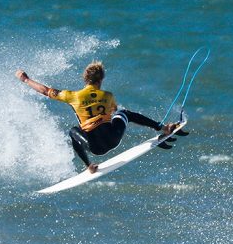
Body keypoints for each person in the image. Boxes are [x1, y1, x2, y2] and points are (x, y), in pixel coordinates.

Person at [15, 61, 186, 173]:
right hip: (114, 139)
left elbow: (45, 90)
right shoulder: (108, 96)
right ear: (101, 79)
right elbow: (114, 112)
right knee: (124, 113)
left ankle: (89, 166)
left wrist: (26, 79)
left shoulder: (72, 96)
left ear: (85, 79)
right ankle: (163, 127)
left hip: (95, 147)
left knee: (74, 131)